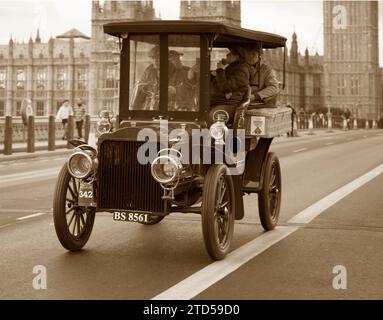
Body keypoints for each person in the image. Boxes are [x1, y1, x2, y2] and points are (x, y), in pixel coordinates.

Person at [209, 45, 252, 124]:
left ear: (237, 56)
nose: (227, 55)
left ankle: (211, 136)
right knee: (196, 115)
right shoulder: (230, 68)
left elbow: (225, 87)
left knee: (212, 116)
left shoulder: (241, 71)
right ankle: (196, 136)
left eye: (230, 54)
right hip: (216, 102)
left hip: (230, 104)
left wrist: (220, 70)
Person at [131, 46, 160, 110]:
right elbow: (140, 86)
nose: (156, 60)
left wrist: (173, 90)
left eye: (158, 57)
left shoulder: (174, 72)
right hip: (150, 107)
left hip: (169, 107)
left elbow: (181, 89)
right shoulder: (148, 71)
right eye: (153, 58)